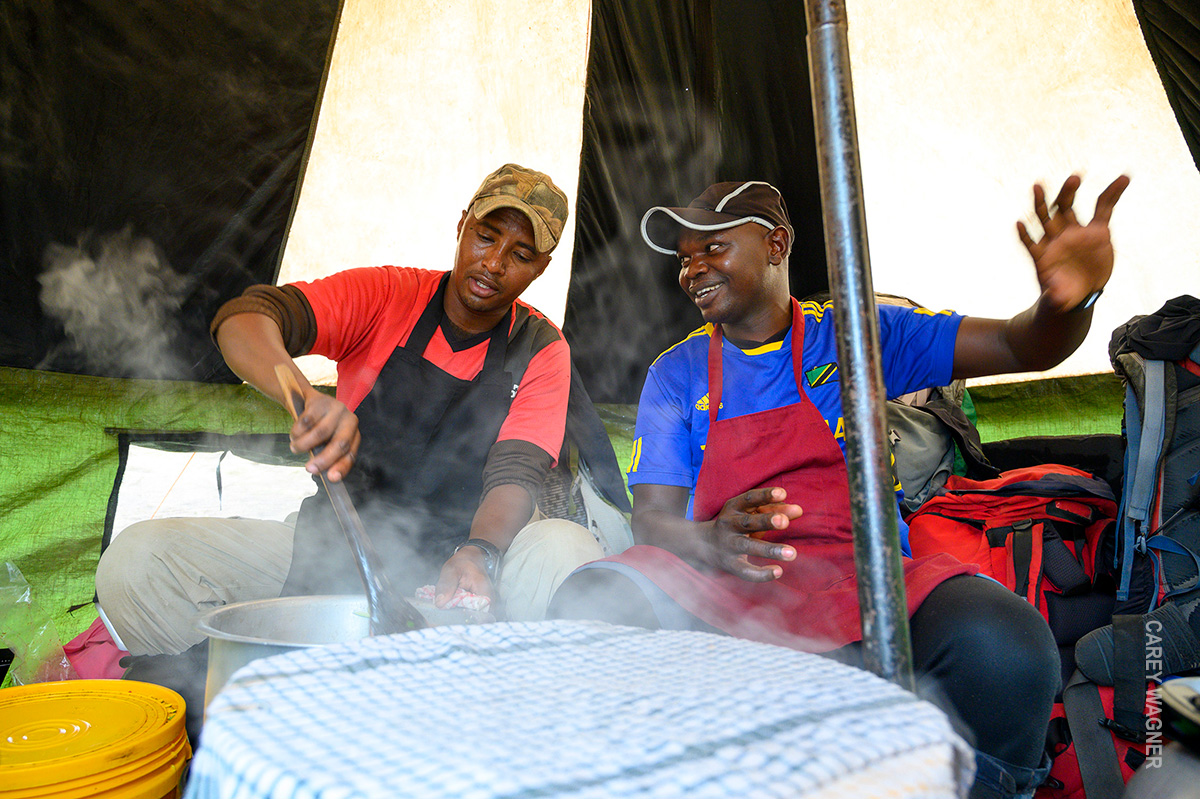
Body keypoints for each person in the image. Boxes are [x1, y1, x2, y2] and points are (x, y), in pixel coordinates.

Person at [549, 175, 1130, 799]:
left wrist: (1071, 302)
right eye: (685, 258)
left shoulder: (860, 335)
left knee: (1010, 647)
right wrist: (710, 542)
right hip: (724, 590)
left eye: (713, 248)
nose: (693, 269)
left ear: (776, 245)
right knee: (594, 596)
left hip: (865, 584)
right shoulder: (675, 373)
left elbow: (1024, 345)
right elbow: (652, 523)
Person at [96, 164, 613, 732]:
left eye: (520, 253)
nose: (493, 262)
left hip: (461, 563)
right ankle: (242, 706)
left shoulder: (541, 348)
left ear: (541, 266)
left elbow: (515, 473)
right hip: (335, 543)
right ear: (462, 225)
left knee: (568, 548)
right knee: (137, 561)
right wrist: (301, 397)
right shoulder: (389, 295)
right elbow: (243, 318)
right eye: (486, 236)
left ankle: (505, 720)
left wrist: (479, 553)